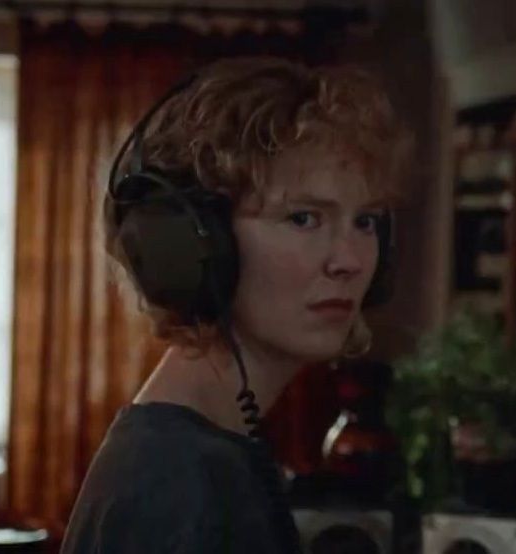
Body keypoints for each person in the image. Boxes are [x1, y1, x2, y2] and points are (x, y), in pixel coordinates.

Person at [60, 57, 409, 554]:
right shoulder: (181, 488)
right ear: (197, 244)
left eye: (365, 221)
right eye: (304, 218)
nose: (350, 260)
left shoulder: (197, 459)